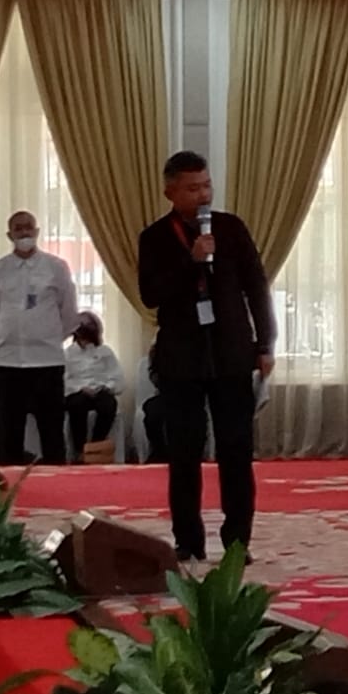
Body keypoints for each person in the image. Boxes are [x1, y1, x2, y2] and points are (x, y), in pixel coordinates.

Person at [138, 151, 274, 563]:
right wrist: (190, 260)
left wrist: (265, 343)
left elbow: (256, 286)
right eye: (192, 188)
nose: (203, 195)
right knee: (184, 452)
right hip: (181, 359)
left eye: (206, 186)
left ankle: (237, 541)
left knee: (236, 450)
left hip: (231, 353)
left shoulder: (230, 228)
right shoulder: (155, 237)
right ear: (170, 192)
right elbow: (150, 295)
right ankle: (188, 539)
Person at [0, 211, 78, 465]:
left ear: (37, 231)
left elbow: (69, 313)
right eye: (18, 228)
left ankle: (55, 481)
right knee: (9, 432)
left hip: (47, 362)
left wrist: (47, 337)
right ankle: (9, 482)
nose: (24, 232)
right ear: (10, 235)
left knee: (51, 431)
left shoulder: (56, 267)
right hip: (9, 362)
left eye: (29, 227)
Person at [63, 311, 124, 459]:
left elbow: (117, 377)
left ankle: (96, 446)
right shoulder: (68, 354)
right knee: (77, 405)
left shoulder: (106, 352)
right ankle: (80, 450)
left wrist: (107, 386)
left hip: (100, 390)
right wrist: (80, 388)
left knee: (109, 405)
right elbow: (63, 381)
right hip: (78, 392)